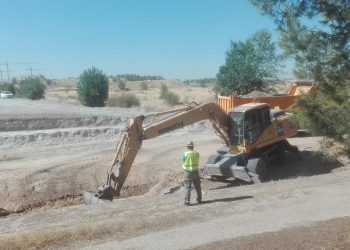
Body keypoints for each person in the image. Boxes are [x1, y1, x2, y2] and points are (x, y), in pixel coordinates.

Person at [182, 141, 202, 205]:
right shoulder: (197, 153)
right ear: (193, 147)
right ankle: (199, 199)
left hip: (187, 173)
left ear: (187, 147)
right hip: (195, 172)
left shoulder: (185, 154)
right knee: (198, 186)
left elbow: (183, 161)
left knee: (187, 187)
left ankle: (187, 201)